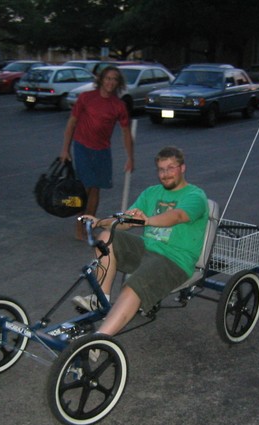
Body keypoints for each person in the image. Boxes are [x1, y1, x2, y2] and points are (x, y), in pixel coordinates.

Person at [73, 146, 208, 337]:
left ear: (182, 168)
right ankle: (99, 299)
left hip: (174, 259)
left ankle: (100, 340)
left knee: (133, 286)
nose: (165, 174)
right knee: (106, 237)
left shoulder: (195, 196)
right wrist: (100, 222)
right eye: (161, 169)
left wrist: (148, 220)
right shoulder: (151, 193)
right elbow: (125, 221)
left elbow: (177, 216)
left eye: (171, 168)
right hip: (147, 249)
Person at [59, 65, 135, 240]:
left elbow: (126, 133)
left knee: (95, 190)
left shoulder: (119, 105)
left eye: (114, 79)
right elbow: (71, 123)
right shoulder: (86, 98)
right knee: (85, 188)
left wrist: (130, 158)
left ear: (118, 83)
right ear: (101, 79)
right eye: (108, 78)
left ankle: (88, 225)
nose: (110, 82)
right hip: (82, 147)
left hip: (102, 151)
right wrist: (65, 149)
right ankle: (79, 227)